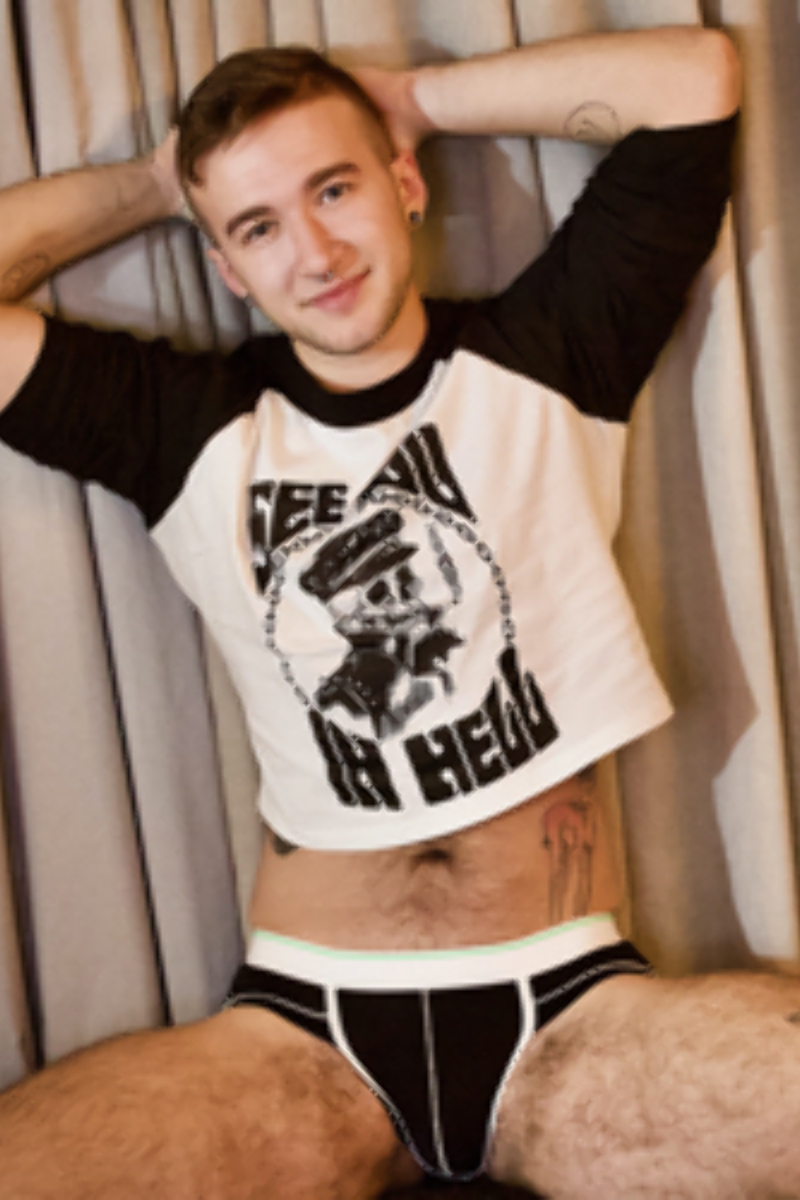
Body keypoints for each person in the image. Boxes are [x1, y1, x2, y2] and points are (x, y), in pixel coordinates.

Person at [1, 25, 794, 1200]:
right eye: (259, 228)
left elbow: (695, 81)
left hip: (569, 1020)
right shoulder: (184, 426)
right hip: (299, 1034)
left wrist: (418, 97)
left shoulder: (550, 352)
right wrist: (160, 184)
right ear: (226, 267)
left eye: (334, 188)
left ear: (402, 184)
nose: (314, 252)